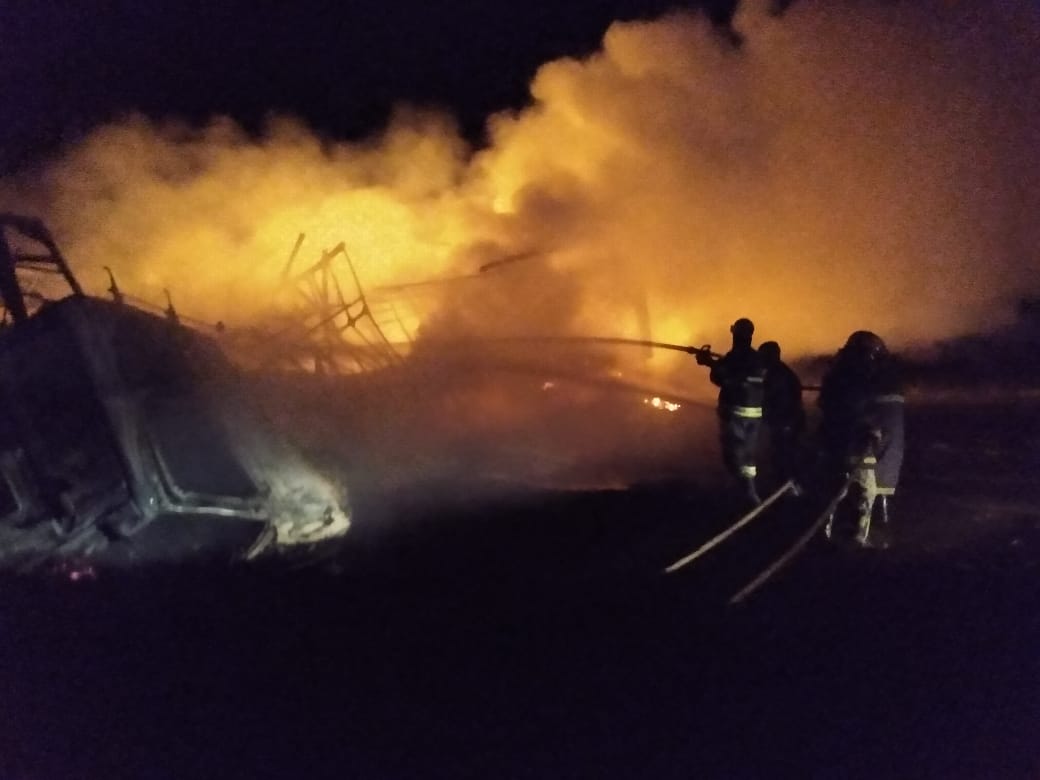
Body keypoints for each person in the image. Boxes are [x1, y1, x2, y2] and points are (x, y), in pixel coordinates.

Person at [818, 331, 905, 546]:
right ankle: (859, 534)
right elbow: (863, 409)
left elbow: (829, 405)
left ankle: (826, 531)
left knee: (838, 491)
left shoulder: (839, 375)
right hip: (859, 446)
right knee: (866, 492)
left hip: (840, 444)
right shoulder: (868, 377)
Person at [693, 317, 766, 506]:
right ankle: (750, 492)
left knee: (733, 453)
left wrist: (709, 363)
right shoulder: (756, 357)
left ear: (734, 333)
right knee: (748, 455)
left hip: (735, 413)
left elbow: (722, 378)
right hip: (754, 415)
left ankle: (741, 494)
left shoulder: (735, 357)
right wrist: (714, 363)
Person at [758, 341, 805, 488]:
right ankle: (786, 484)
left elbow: (779, 402)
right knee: (783, 454)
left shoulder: (779, 376)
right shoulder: (779, 372)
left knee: (784, 456)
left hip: (786, 424)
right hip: (787, 423)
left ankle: (787, 486)